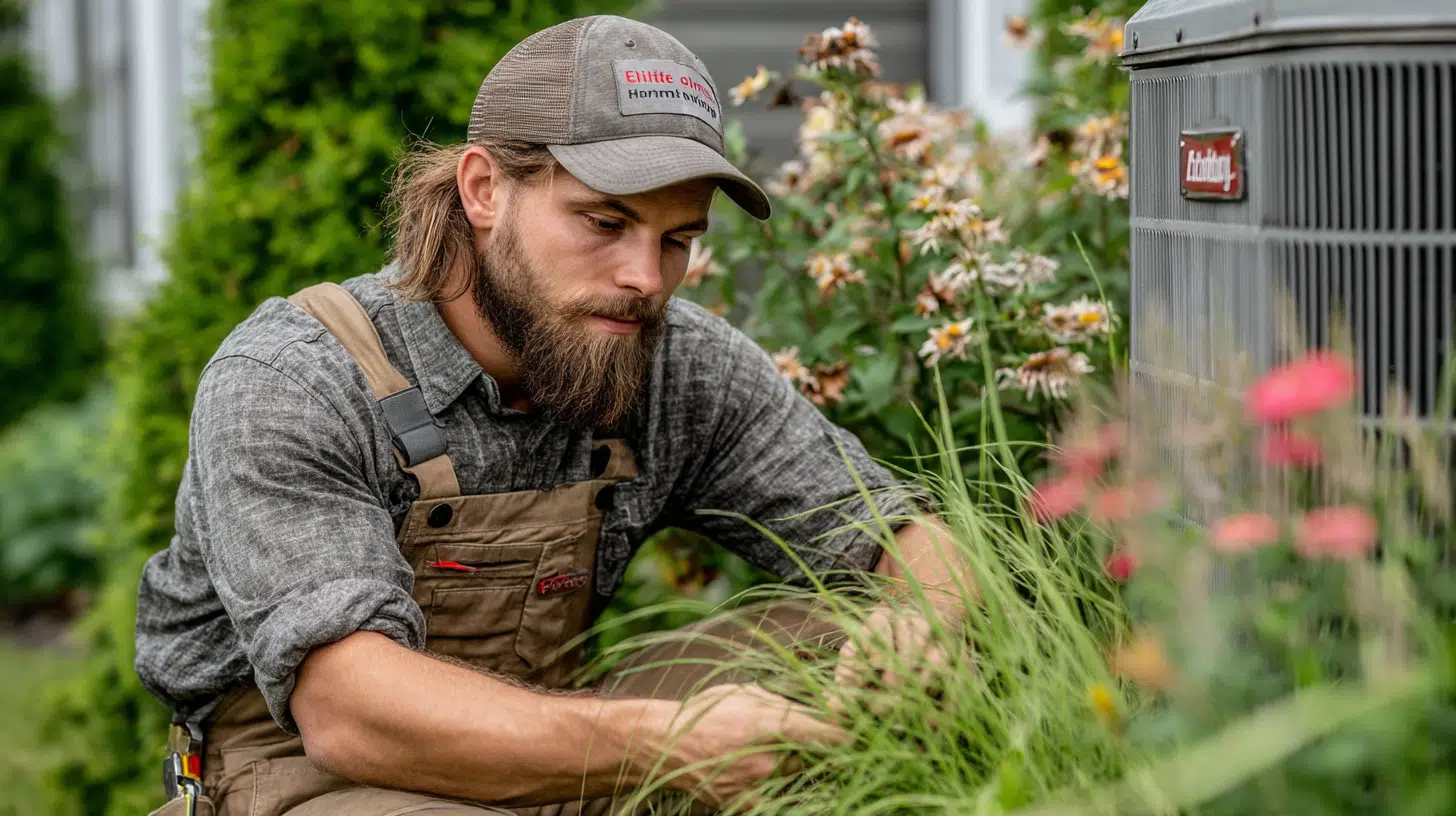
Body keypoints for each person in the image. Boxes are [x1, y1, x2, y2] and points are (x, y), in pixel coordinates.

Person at [135, 14, 965, 816]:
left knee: (842, 648)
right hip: (306, 778)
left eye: (677, 239)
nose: (647, 277)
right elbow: (348, 712)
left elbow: (901, 531)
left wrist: (914, 625)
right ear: (484, 188)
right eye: (605, 222)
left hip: (566, 758)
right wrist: (669, 740)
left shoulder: (673, 362)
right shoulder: (296, 377)